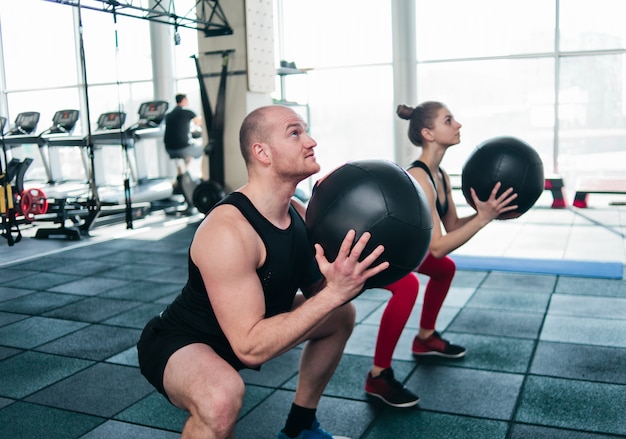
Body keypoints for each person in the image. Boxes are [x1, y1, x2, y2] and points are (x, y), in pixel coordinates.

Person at [137, 104, 389, 439]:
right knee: (221, 397)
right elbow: (249, 347)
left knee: (340, 315)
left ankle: (300, 428)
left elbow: (320, 293)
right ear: (262, 153)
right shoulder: (228, 231)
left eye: (306, 131)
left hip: (249, 329)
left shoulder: (298, 213)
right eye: (295, 133)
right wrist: (333, 292)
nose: (311, 141)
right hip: (184, 341)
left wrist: (350, 276)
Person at [363, 101, 519, 408]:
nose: (458, 124)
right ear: (427, 133)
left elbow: (451, 227)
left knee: (443, 268)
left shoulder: (441, 175)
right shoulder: (419, 177)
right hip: (378, 249)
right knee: (407, 286)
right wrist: (483, 218)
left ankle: (425, 338)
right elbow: (436, 245)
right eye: (449, 120)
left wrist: (488, 213)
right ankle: (377, 375)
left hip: (407, 248)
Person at [164, 93, 205, 170]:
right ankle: (203, 176)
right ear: (184, 100)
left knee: (187, 156)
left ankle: (181, 176)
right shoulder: (187, 112)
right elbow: (201, 123)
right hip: (182, 148)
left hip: (169, 148)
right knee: (205, 149)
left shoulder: (169, 114)